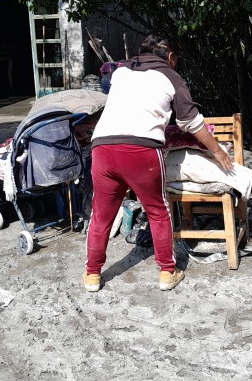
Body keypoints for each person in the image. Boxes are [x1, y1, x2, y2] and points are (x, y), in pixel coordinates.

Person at [84, 34, 233, 292]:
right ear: (171, 57)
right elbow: (192, 123)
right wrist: (217, 151)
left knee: (101, 214)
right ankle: (167, 271)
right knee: (157, 210)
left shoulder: (120, 72)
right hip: (141, 151)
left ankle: (92, 275)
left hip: (102, 148)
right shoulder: (171, 77)